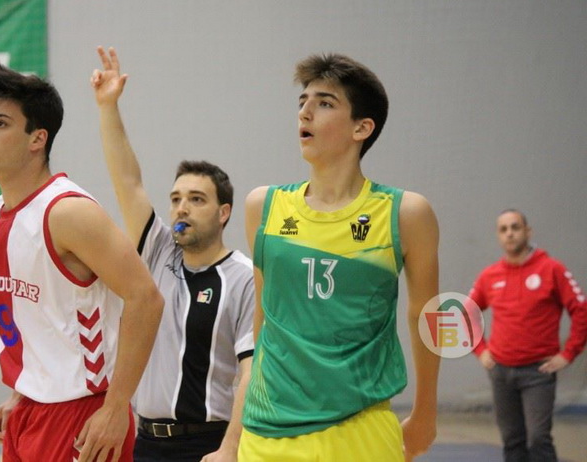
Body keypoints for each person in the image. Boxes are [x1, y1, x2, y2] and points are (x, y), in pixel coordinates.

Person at [238, 53, 440, 461]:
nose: (305, 112)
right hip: (268, 431)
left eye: (325, 103)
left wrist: (425, 414)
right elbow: (264, 313)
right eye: (303, 102)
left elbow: (426, 315)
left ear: (361, 128)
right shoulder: (264, 207)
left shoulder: (405, 213)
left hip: (360, 428)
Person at [0, 63, 164, 462]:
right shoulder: (1, 210)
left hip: (82, 414)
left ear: (37, 138)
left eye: (1, 123)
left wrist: (115, 408)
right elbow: (37, 319)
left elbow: (146, 298)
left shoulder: (68, 212)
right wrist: (23, 392)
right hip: (30, 410)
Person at [90, 46, 255, 462]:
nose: (182, 208)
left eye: (196, 199)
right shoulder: (157, 250)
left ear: (223, 213)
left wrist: (231, 447)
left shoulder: (244, 277)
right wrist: (108, 107)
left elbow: (252, 374)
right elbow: (127, 181)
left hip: (208, 444)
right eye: (176, 198)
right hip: (146, 442)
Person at [469, 209, 587, 461]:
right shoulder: (490, 276)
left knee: (538, 439)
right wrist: (480, 350)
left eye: (515, 227)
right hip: (501, 372)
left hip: (538, 373)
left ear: (527, 231)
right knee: (512, 440)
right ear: (498, 236)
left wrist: (568, 354)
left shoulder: (552, 269)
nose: (510, 233)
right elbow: (468, 312)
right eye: (503, 229)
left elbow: (581, 310)